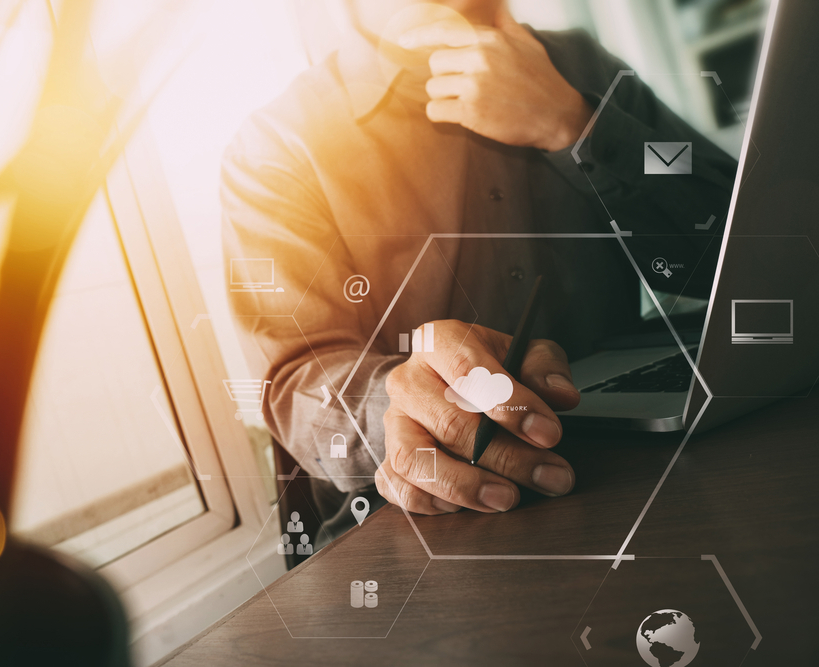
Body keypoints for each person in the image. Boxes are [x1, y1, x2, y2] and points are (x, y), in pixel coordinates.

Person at [222, 0, 736, 518]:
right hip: (431, 523)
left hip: (646, 470)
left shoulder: (579, 65)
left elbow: (739, 248)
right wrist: (404, 407)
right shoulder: (274, 147)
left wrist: (577, 127)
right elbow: (297, 381)